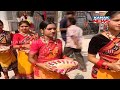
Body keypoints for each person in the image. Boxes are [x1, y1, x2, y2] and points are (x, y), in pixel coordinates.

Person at [88, 11, 120, 79]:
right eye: (116, 20)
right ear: (106, 21)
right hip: (103, 73)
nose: (119, 23)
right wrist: (110, 65)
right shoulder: (97, 39)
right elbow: (90, 57)